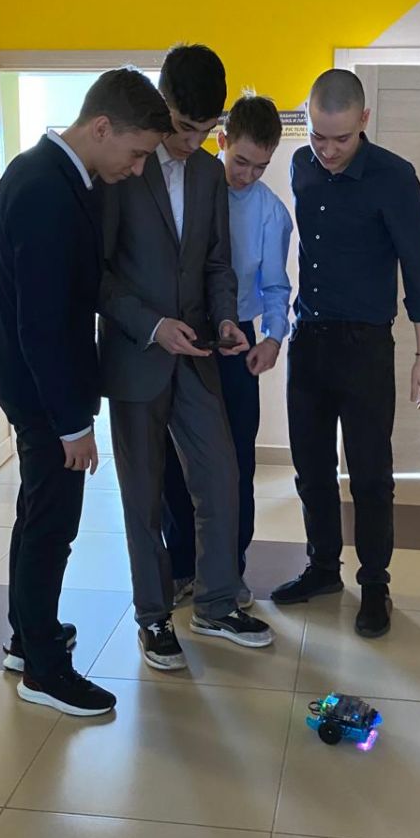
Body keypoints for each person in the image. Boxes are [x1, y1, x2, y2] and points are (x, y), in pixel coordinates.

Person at [0, 68, 172, 715]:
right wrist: (71, 425)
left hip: (32, 376)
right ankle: (45, 671)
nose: (137, 170)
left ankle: (27, 638)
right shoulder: (45, 189)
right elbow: (42, 322)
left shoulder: (55, 174)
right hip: (39, 387)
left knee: (37, 513)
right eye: (136, 153)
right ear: (101, 127)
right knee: (52, 526)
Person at [98, 45, 275, 672]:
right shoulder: (123, 166)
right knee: (144, 494)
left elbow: (217, 263)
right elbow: (98, 274)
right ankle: (152, 617)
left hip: (199, 353)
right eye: (181, 126)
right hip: (136, 356)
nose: (190, 141)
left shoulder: (206, 175)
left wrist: (225, 319)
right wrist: (151, 326)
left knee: (221, 476)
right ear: (161, 102)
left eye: (204, 130)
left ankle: (216, 603)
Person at [271, 69, 420, 637]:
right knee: (311, 467)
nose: (327, 150)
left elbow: (418, 271)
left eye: (340, 138)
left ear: (364, 121)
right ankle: (322, 568)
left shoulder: (395, 177)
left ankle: (374, 585)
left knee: (369, 473)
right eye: (318, 136)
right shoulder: (301, 166)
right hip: (309, 341)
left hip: (365, 346)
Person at [162, 94, 293, 608]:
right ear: (221, 141)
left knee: (237, 462)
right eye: (241, 161)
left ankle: (231, 570)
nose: (248, 175)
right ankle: (180, 567)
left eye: (261, 166)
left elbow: (276, 287)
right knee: (175, 462)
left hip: (237, 340)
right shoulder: (186, 186)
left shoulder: (271, 213)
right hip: (180, 336)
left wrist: (273, 338)